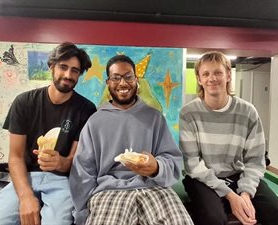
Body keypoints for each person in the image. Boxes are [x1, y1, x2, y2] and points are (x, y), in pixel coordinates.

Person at [70, 54, 194, 225]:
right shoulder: (95, 122)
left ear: (136, 80)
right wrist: (82, 213)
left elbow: (172, 160)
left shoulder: (154, 118)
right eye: (116, 78)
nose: (122, 83)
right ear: (108, 83)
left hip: (153, 187)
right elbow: (83, 170)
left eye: (128, 77)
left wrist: (156, 167)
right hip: (109, 191)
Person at [0, 42, 96, 225]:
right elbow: (15, 156)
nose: (68, 75)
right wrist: (26, 197)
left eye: (75, 70)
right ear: (51, 66)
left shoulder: (86, 109)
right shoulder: (24, 102)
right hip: (25, 176)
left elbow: (75, 160)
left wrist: (61, 162)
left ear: (80, 74)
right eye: (63, 67)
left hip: (62, 180)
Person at [179, 51, 278, 225]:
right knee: (213, 219)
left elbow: (255, 160)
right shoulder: (188, 113)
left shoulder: (248, 112)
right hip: (202, 179)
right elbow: (192, 164)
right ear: (199, 79)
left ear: (228, 75)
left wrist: (245, 193)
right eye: (206, 74)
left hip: (237, 175)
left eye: (217, 72)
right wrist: (230, 195)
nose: (212, 78)